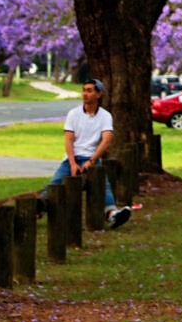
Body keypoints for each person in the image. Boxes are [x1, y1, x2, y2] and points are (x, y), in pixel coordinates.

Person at [47, 79, 130, 229]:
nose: (85, 94)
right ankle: (38, 210)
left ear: (99, 94)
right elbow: (68, 140)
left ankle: (112, 214)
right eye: (84, 90)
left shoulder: (105, 116)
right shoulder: (73, 114)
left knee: (103, 185)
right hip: (72, 158)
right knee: (54, 184)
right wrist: (72, 163)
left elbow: (106, 141)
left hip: (91, 157)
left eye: (90, 90)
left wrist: (91, 161)